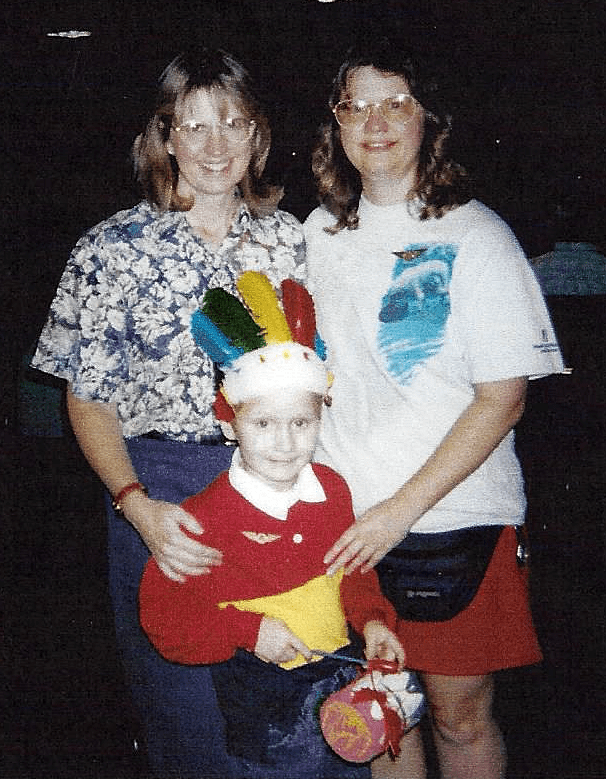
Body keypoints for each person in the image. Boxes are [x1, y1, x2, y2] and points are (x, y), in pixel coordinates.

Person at [31, 47, 305, 777]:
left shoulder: (290, 240)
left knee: (287, 718)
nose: (215, 146)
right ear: (165, 136)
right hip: (162, 495)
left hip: (276, 489)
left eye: (233, 123)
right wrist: (138, 506)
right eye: (194, 125)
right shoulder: (110, 249)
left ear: (257, 135)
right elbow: (87, 398)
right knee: (188, 723)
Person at [304, 40, 565, 779]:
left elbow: (504, 400)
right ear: (336, 123)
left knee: (459, 718)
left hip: (454, 521)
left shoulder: (478, 236)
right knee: (381, 715)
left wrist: (397, 512)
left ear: (429, 120)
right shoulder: (315, 235)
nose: (375, 122)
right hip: (345, 524)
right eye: (356, 105)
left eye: (397, 103)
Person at [139, 339, 408, 779]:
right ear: (230, 424)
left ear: (321, 419)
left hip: (344, 694)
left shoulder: (332, 490)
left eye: (301, 422)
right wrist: (247, 630)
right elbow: (164, 619)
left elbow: (352, 571)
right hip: (268, 720)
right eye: (263, 423)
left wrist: (373, 621)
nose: (284, 442)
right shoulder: (204, 519)